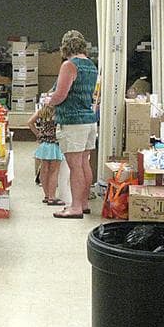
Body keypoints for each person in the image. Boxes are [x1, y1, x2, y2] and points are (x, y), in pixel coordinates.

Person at [46, 30, 98, 219]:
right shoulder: (91, 66)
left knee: (74, 166)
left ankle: (74, 207)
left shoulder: (69, 65)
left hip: (72, 121)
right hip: (89, 120)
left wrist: (48, 101)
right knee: (84, 163)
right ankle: (83, 203)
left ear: (65, 47)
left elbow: (61, 95)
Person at [27, 98, 65, 206]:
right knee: (54, 171)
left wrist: (38, 134)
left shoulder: (42, 111)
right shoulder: (58, 113)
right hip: (55, 145)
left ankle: (46, 195)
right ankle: (52, 197)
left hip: (44, 145)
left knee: (44, 170)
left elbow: (30, 122)